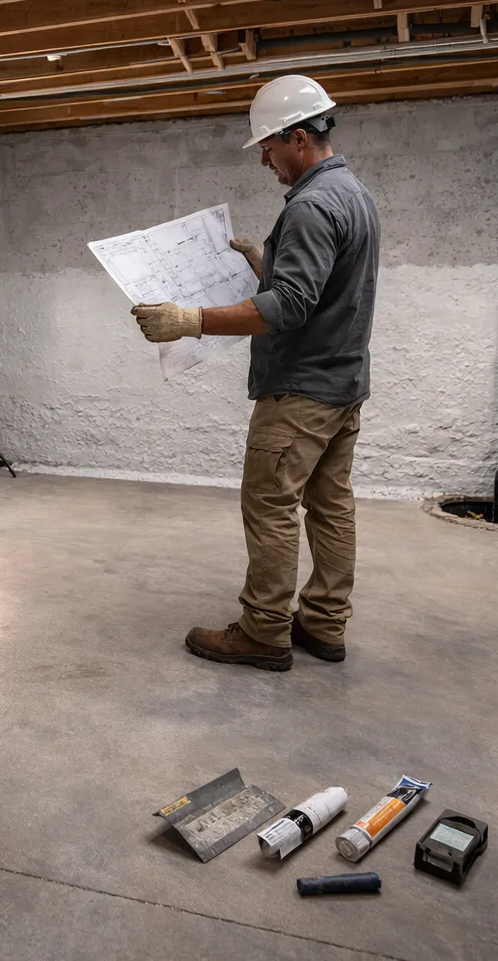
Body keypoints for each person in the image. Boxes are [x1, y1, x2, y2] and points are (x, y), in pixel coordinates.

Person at [130, 75, 379, 672]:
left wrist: (188, 319)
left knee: (269, 505)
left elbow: (292, 306)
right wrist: (265, 263)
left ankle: (264, 630)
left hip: (299, 392)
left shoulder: (311, 205)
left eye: (268, 146)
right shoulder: (352, 194)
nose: (265, 159)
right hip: (342, 385)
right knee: (331, 507)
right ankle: (322, 624)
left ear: (298, 136)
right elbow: (325, 287)